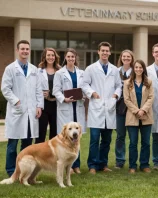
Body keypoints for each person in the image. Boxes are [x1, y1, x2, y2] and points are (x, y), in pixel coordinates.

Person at [1, 40, 43, 176]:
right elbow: (5, 89)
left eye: (27, 49)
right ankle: (11, 171)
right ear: (17, 50)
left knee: (27, 145)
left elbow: (38, 89)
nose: (25, 51)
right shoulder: (10, 69)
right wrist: (16, 101)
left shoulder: (34, 69)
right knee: (12, 145)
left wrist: (39, 106)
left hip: (31, 113)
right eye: (22, 49)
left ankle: (24, 171)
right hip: (17, 111)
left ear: (29, 51)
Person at [82, 42, 122, 174]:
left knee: (106, 140)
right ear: (98, 52)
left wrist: (116, 95)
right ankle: (92, 165)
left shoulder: (115, 69)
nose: (105, 53)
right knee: (94, 139)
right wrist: (92, 93)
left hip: (109, 107)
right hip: (96, 107)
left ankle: (103, 164)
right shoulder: (91, 68)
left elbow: (119, 85)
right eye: (102, 51)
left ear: (110, 53)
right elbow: (84, 84)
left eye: (107, 51)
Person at [53, 48, 86, 174]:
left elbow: (85, 88)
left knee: (77, 137)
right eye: (68, 57)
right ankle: (67, 166)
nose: (71, 59)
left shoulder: (82, 73)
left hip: (77, 106)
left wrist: (84, 96)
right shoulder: (59, 73)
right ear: (65, 58)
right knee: (65, 139)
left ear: (75, 58)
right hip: (66, 108)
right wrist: (63, 99)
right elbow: (56, 90)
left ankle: (76, 165)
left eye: (73, 57)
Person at [124, 59, 154, 173]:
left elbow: (151, 97)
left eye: (140, 67)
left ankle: (144, 165)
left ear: (143, 69)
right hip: (132, 116)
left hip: (146, 116)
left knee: (146, 142)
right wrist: (137, 111)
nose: (138, 69)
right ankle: (132, 166)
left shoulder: (149, 82)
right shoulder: (127, 83)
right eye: (136, 67)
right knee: (133, 143)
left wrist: (143, 110)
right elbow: (126, 99)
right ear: (133, 69)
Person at [35, 48, 61, 143]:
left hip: (56, 105)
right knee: (41, 133)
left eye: (52, 55)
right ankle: (38, 156)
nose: (51, 57)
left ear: (55, 57)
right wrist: (41, 93)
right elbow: (35, 87)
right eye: (48, 55)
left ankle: (52, 156)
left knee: (55, 135)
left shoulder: (60, 70)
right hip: (44, 105)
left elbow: (64, 87)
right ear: (44, 57)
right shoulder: (39, 71)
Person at [115, 50, 134, 169]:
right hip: (119, 107)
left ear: (132, 58)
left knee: (133, 137)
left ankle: (133, 162)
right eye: (124, 56)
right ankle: (120, 161)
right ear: (121, 58)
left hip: (132, 107)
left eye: (128, 57)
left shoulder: (136, 71)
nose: (126, 58)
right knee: (120, 135)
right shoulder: (115, 71)